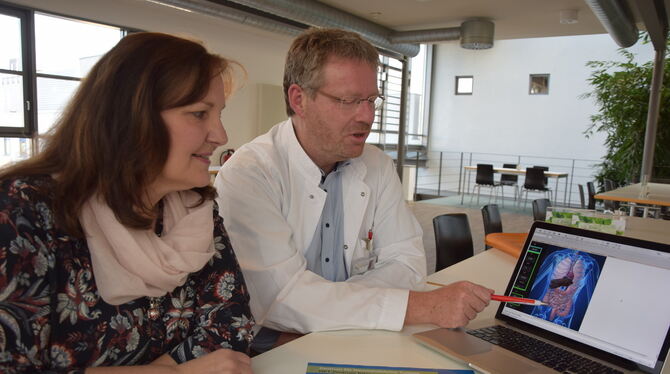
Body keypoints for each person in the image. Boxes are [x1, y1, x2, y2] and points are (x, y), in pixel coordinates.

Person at [215, 27, 493, 351]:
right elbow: (281, 299)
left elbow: (408, 265)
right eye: (348, 101)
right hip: (272, 350)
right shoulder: (250, 173)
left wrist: (330, 313)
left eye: (371, 99)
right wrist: (422, 306)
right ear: (299, 99)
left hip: (355, 338)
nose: (367, 116)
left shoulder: (377, 165)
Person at [0, 32, 254, 373]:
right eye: (198, 114)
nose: (220, 135)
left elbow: (231, 325)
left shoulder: (194, 208)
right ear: (131, 117)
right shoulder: (24, 211)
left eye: (218, 114)